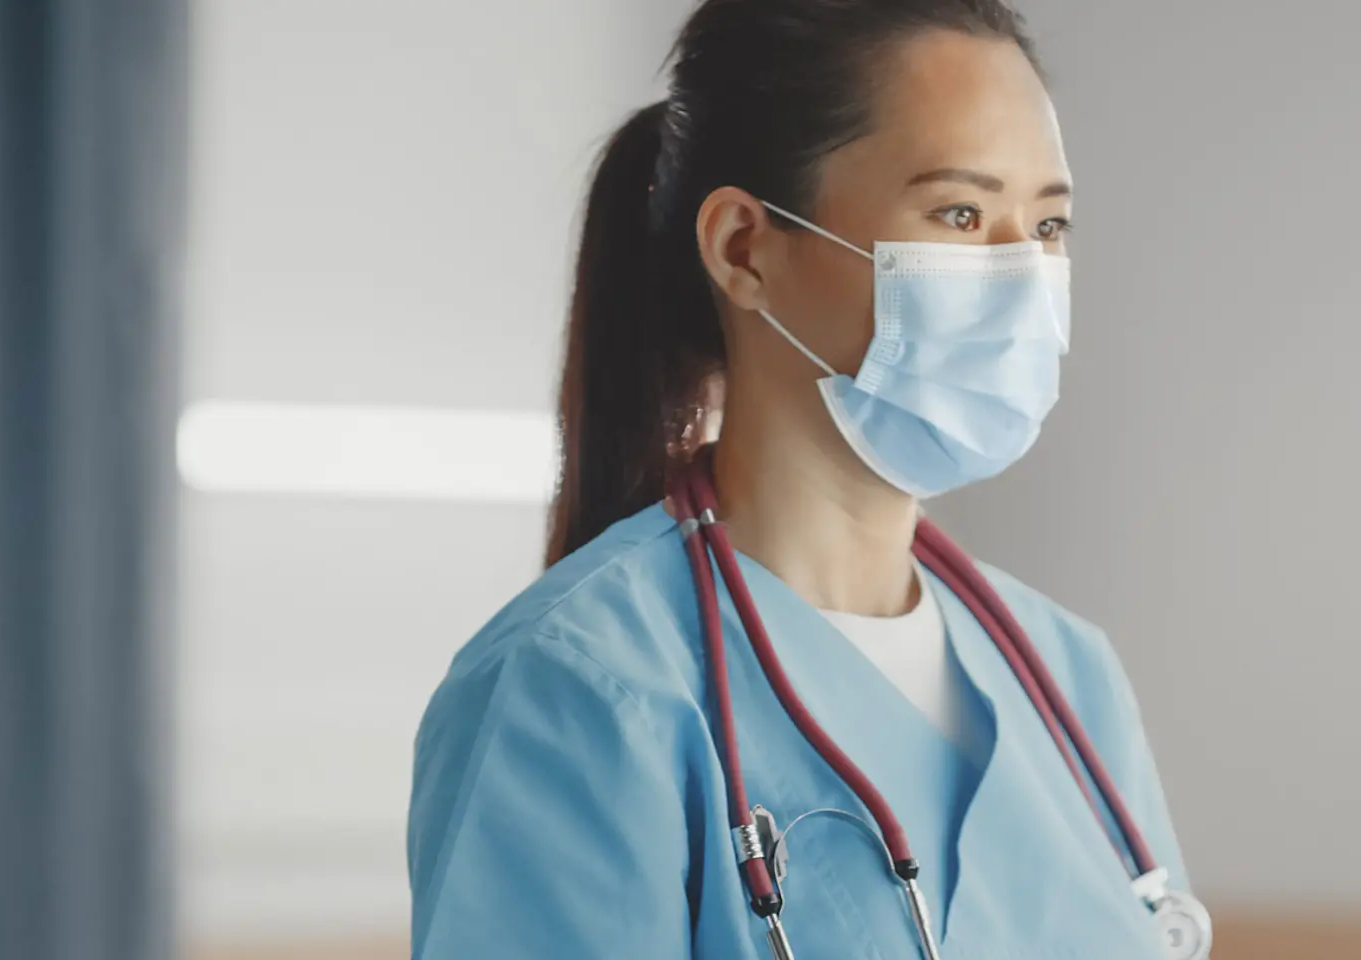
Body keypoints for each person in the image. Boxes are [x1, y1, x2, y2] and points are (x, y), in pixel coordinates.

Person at [408, 1, 1197, 957]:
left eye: (1049, 223)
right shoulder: (581, 687)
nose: (1023, 274)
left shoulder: (1071, 679)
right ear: (745, 247)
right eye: (960, 212)